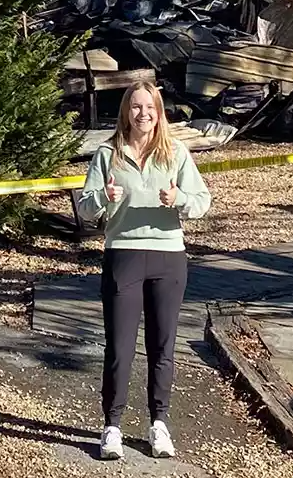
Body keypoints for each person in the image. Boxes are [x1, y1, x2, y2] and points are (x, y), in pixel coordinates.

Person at [79, 80, 211, 461]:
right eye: (136, 107)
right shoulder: (108, 155)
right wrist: (104, 197)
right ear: (125, 111)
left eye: (149, 107)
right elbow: (86, 207)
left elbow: (202, 201)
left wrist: (179, 199)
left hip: (169, 257)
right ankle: (112, 427)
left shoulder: (176, 153)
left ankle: (159, 425)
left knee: (162, 346)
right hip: (123, 255)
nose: (143, 114)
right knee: (119, 347)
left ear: (159, 112)